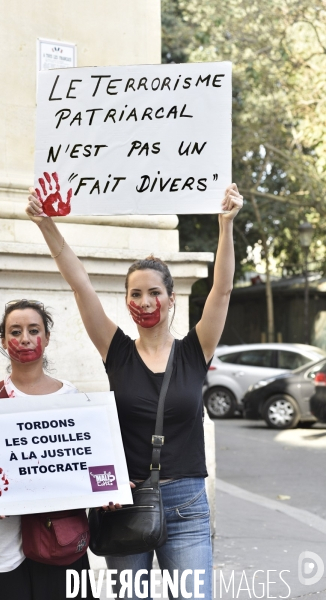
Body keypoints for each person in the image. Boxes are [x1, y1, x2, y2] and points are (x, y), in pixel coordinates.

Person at [26, 183, 243, 599]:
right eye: (135, 294)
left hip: (186, 505)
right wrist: (46, 225)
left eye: (154, 293)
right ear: (126, 301)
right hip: (123, 502)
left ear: (171, 298)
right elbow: (81, 285)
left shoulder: (195, 350)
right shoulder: (117, 350)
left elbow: (223, 289)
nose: (144, 302)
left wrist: (226, 225)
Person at [0, 300, 93, 600]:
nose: (25, 338)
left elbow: (86, 463)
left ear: (46, 336)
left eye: (34, 330)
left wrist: (109, 490)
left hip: (58, 538)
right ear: (4, 341)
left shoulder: (70, 396)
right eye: (15, 331)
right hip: (2, 545)